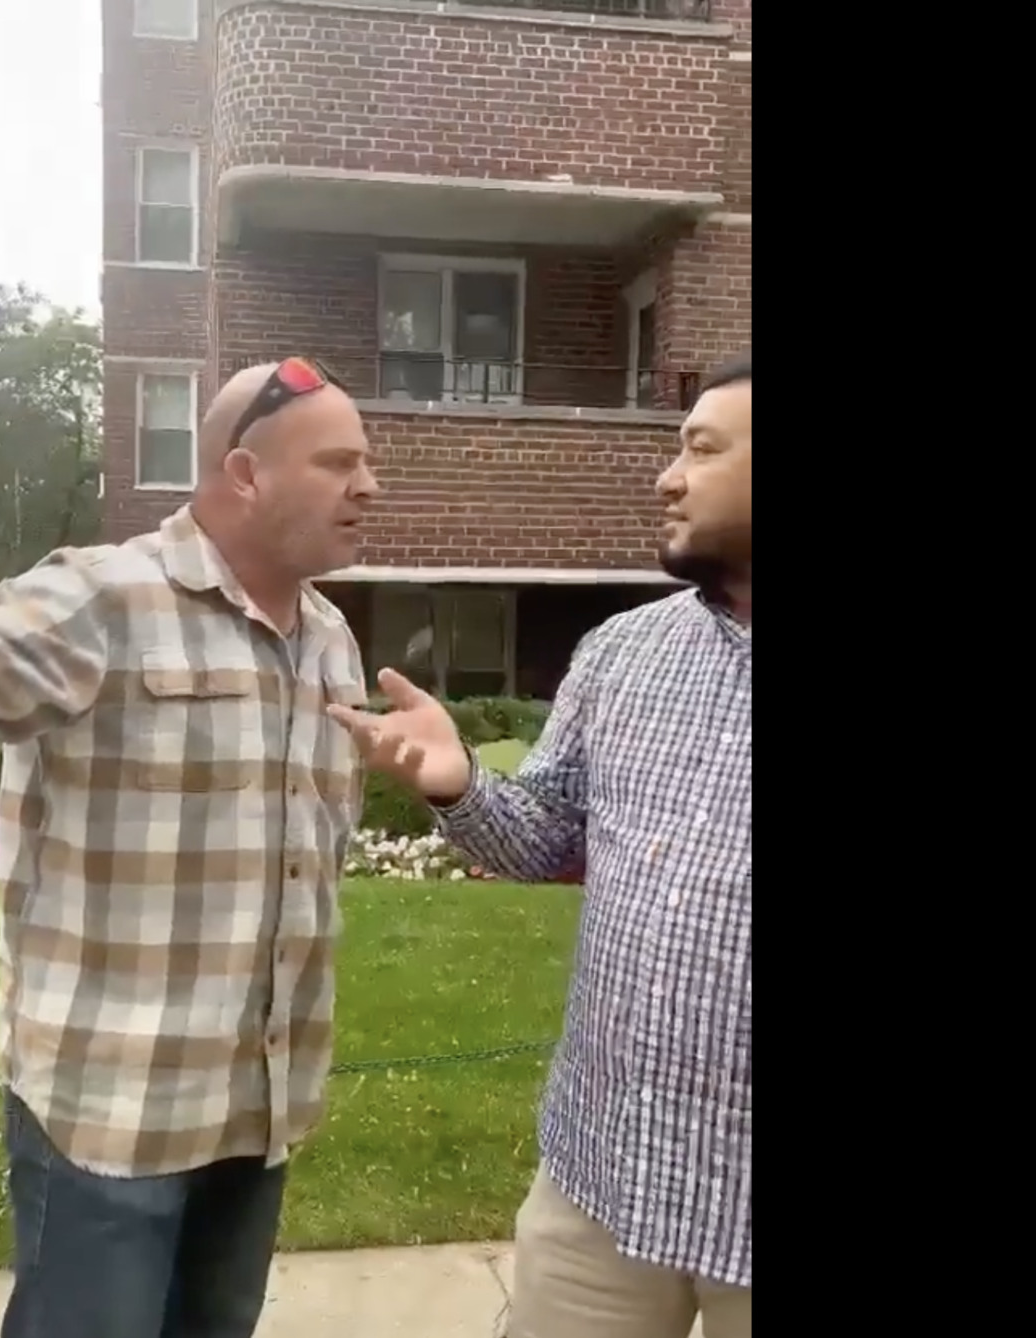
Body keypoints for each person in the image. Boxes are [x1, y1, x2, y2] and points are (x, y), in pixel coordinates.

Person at [330, 353, 753, 1338]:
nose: (667, 476)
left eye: (700, 448)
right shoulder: (624, 653)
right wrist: (459, 783)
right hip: (604, 1185)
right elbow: (542, 841)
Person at [0, 357, 381, 1338]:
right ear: (244, 474)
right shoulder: (102, 597)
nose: (368, 485)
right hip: (108, 1120)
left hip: (259, 1112)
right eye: (338, 463)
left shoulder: (330, 639)